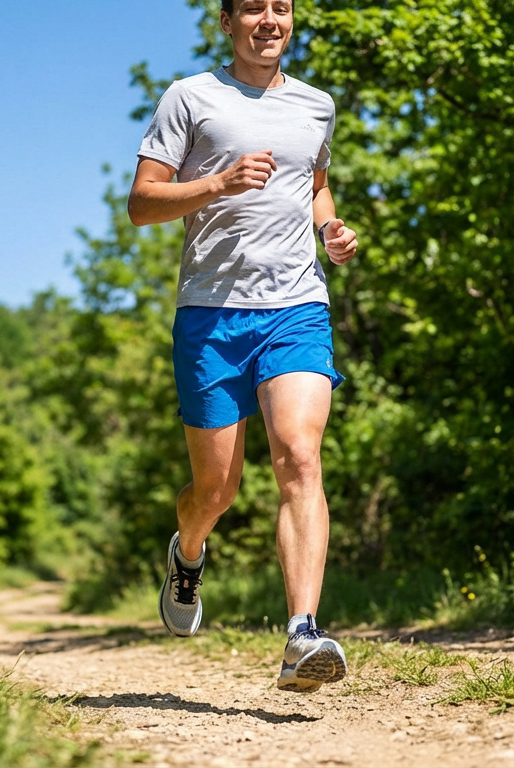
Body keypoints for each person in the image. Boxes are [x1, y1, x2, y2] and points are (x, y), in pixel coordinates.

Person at [127, 0, 359, 693]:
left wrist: (331, 229)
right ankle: (189, 551)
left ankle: (301, 635)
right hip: (211, 314)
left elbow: (313, 185)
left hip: (296, 305)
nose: (269, 19)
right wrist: (218, 184)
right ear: (226, 22)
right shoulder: (191, 98)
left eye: (281, 7)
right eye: (253, 7)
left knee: (299, 454)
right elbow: (142, 203)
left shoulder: (316, 106)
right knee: (216, 489)